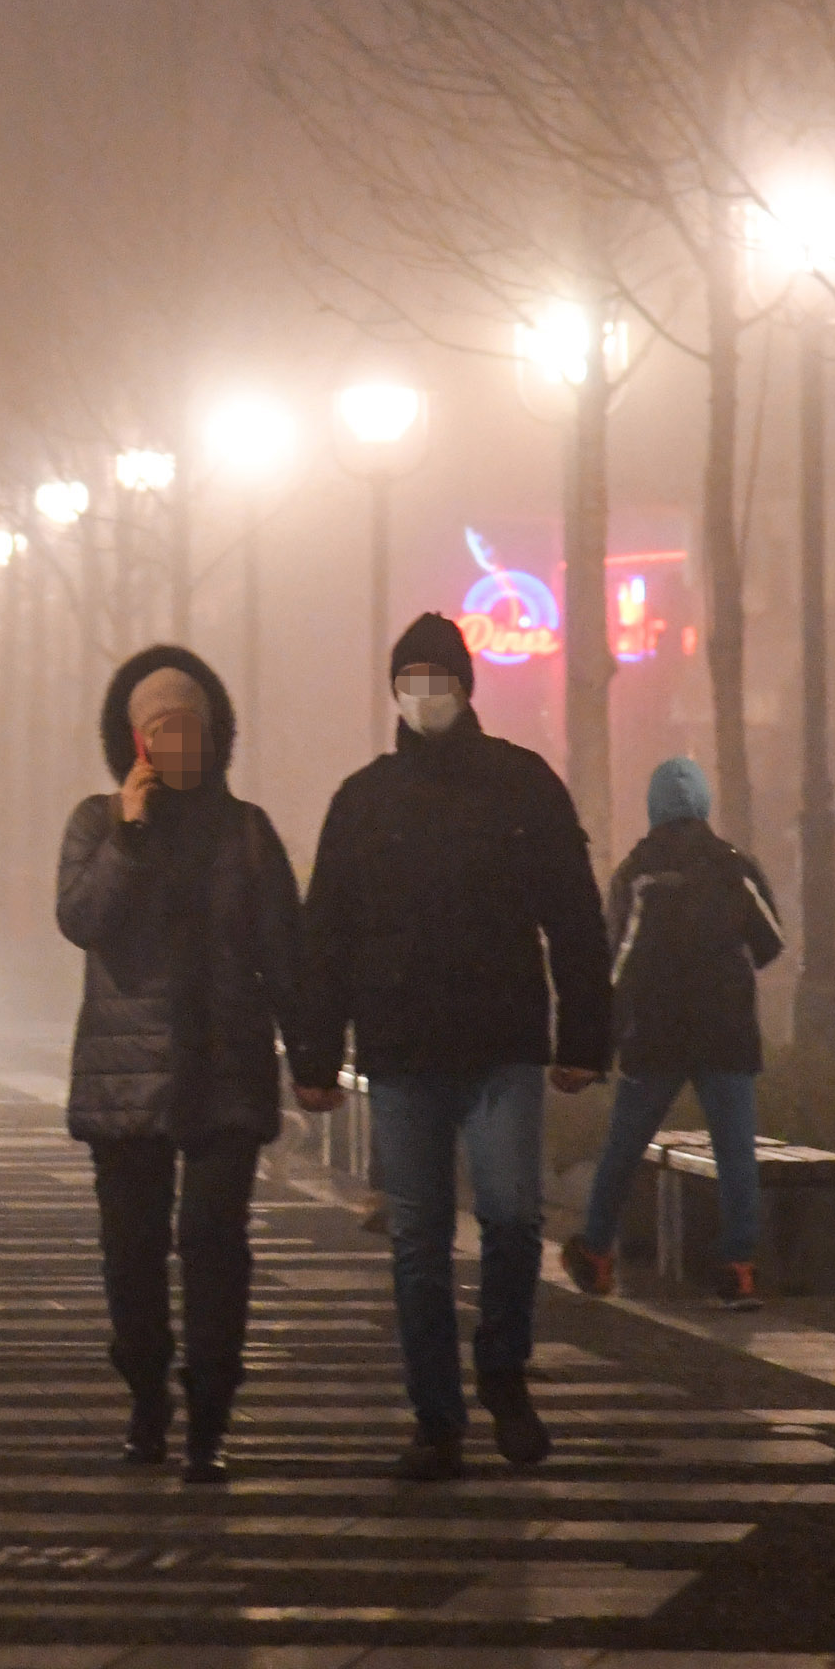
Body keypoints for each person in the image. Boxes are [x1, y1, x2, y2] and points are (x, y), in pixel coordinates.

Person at [290, 611, 610, 1482]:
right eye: (410, 678)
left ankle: (502, 1372)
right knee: (419, 1246)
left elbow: (575, 917)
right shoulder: (363, 801)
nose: (425, 694)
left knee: (512, 1219)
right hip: (400, 1053)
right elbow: (326, 935)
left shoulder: (522, 785)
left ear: (468, 687)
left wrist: (587, 1033)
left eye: (439, 677)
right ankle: (437, 1420)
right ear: (394, 692)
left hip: (501, 1043)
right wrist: (314, 1056)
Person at [56, 648, 304, 1486]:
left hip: (225, 1069)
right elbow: (83, 919)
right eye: (160, 730)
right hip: (126, 1076)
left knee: (213, 1242)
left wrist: (310, 1059)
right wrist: (129, 834)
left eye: (190, 729)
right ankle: (144, 1395)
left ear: (216, 736)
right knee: (131, 1249)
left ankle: (209, 1413)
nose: (177, 744)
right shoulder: (97, 824)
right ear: (134, 740)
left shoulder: (247, 831)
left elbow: (285, 954)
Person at [566, 756, 785, 1312]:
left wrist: (600, 1037)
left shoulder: (637, 872)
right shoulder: (734, 865)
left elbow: (616, 960)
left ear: (653, 807)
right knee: (736, 1152)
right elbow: (771, 942)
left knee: (623, 1146)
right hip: (726, 1032)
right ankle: (738, 1268)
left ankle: (596, 1251)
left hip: (655, 1033)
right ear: (704, 803)